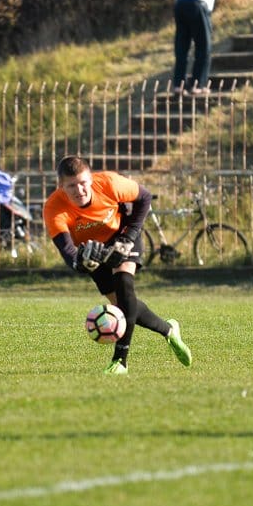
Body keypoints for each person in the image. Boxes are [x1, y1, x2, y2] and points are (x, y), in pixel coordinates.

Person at [43, 155, 192, 375]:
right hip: (91, 251)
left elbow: (144, 197)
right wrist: (80, 263)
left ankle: (120, 361)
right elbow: (68, 251)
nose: (79, 190)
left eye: (83, 183)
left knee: (124, 285)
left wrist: (128, 237)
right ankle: (169, 330)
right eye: (71, 185)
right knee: (123, 306)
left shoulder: (110, 183)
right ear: (61, 186)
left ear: (91, 179)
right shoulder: (53, 207)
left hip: (121, 238)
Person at [168, 0, 228, 96]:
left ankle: (178, 86)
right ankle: (198, 85)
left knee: (182, 47)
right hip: (198, 5)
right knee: (203, 46)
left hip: (180, 4)